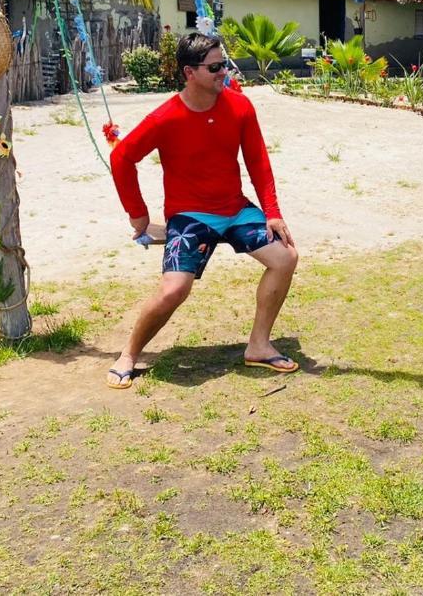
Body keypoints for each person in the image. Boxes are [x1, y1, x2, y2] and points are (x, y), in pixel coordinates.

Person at [106, 33, 299, 389]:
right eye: (214, 67)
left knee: (285, 257)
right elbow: (121, 158)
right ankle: (130, 354)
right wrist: (138, 215)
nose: (223, 72)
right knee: (173, 290)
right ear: (189, 72)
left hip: (236, 210)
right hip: (190, 216)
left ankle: (258, 345)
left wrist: (272, 211)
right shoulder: (165, 117)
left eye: (224, 63)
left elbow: (258, 161)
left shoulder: (240, 106)